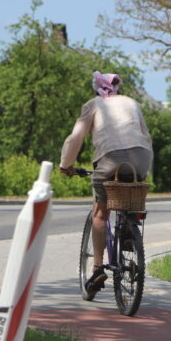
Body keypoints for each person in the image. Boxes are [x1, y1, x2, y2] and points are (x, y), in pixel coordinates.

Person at [59, 71, 153, 299]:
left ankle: (98, 268)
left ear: (96, 90)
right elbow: (145, 135)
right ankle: (130, 232)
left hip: (111, 158)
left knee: (100, 214)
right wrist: (144, 169)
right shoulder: (132, 102)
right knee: (128, 195)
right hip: (142, 157)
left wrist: (66, 164)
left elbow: (76, 137)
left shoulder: (94, 105)